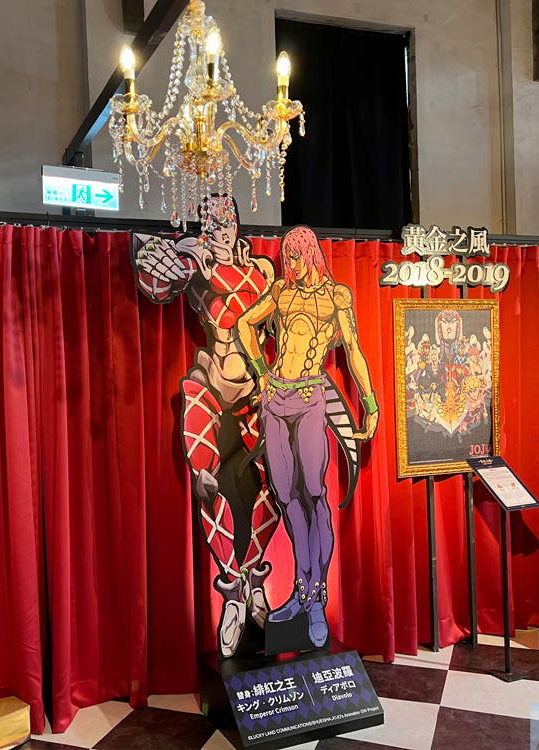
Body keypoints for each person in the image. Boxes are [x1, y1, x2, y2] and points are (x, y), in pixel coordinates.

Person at [131, 195, 280, 657]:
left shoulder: (262, 270)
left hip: (256, 390)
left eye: (226, 221)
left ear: (237, 224)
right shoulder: (195, 265)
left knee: (275, 487)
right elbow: (156, 285)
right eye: (211, 222)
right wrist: (170, 258)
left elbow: (274, 310)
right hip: (212, 385)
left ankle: (254, 582)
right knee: (208, 484)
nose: (219, 230)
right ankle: (233, 590)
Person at [236, 226, 378, 648]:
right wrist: (262, 373)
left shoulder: (337, 298)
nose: (291, 266)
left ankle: (317, 597)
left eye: (295, 257)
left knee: (315, 494)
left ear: (310, 254)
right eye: (286, 258)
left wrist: (370, 403)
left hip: (310, 399)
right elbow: (244, 324)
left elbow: (354, 351)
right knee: (287, 496)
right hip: (275, 399)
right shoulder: (281, 292)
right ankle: (303, 589)